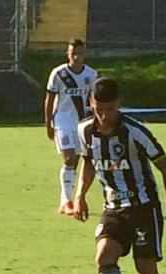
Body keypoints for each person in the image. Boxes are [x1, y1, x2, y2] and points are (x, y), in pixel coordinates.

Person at [73, 78, 166, 274]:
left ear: (119, 105)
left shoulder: (135, 132)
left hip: (144, 208)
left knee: (145, 268)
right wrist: (79, 195)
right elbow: (88, 162)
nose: (105, 115)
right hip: (112, 208)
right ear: (91, 104)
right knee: (104, 255)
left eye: (110, 109)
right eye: (99, 109)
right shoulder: (85, 130)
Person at [44, 38, 97, 215]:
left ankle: (72, 198)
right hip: (62, 121)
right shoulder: (59, 74)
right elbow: (49, 99)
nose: (76, 57)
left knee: (80, 160)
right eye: (73, 53)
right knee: (68, 159)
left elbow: (94, 99)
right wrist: (48, 124)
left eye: (80, 53)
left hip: (82, 124)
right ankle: (65, 201)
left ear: (84, 54)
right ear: (67, 54)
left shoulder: (91, 74)